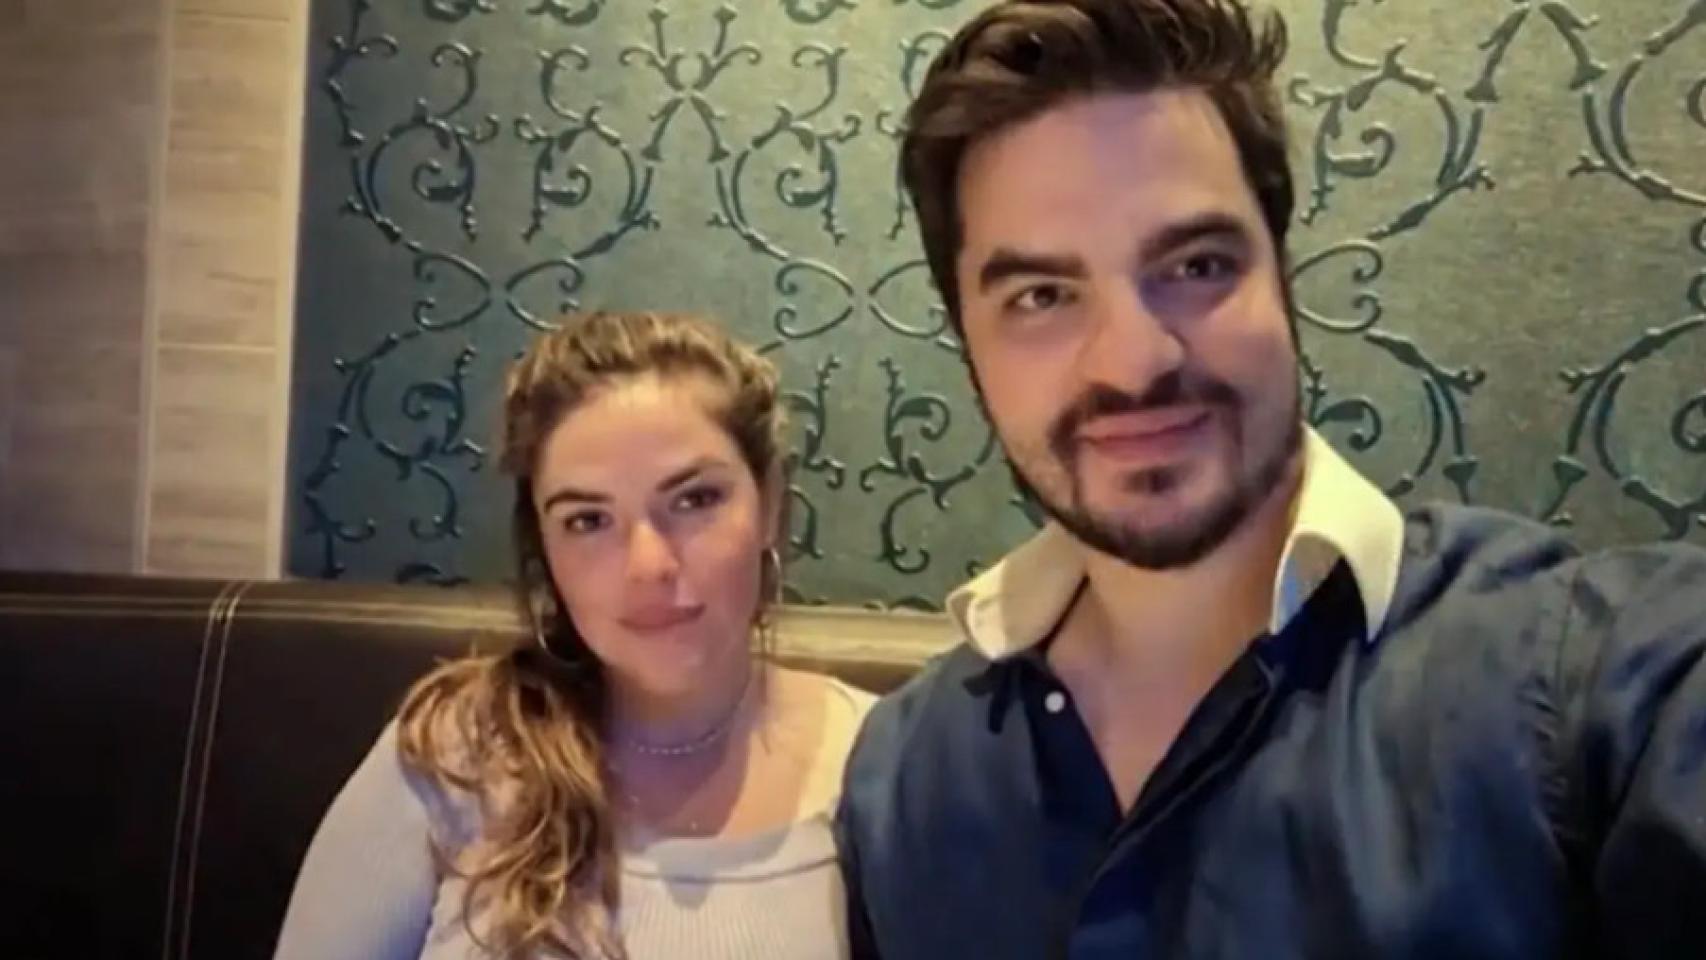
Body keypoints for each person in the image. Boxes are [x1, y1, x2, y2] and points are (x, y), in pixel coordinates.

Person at [836, 0, 1706, 956]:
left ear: (1282, 274)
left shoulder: (1583, 684)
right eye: (1042, 295)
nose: (1134, 360)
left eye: (1196, 265)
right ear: (967, 343)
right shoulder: (900, 777)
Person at [275, 311, 874, 960]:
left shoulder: (884, 764)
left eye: (695, 500)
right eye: (588, 520)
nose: (648, 565)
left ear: (770, 503)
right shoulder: (453, 754)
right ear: (544, 547)